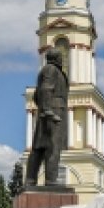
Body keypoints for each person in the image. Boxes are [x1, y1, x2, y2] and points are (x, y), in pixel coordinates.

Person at [25, 47, 69, 187]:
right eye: (60, 57)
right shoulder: (51, 69)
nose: (62, 59)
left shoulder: (51, 70)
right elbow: (45, 89)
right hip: (53, 113)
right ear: (56, 58)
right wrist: (48, 110)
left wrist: (44, 109)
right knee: (52, 147)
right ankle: (50, 181)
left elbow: (37, 95)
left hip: (50, 111)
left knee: (40, 148)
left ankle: (30, 180)